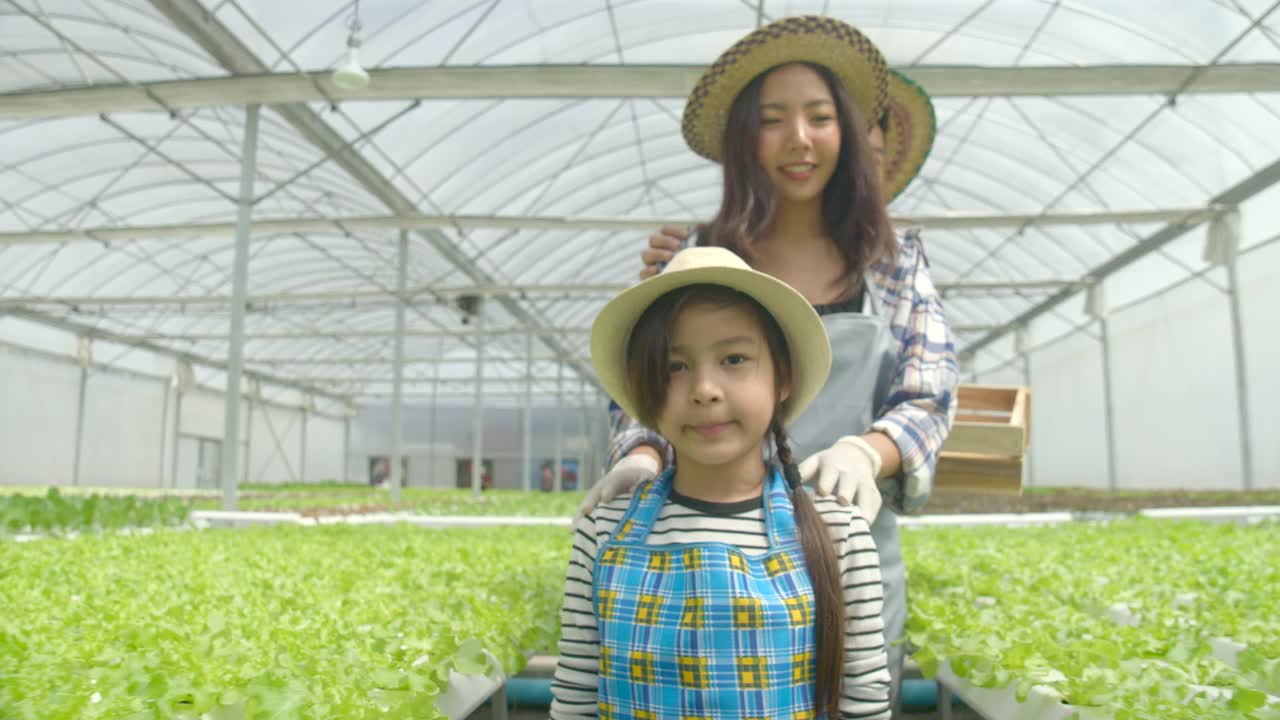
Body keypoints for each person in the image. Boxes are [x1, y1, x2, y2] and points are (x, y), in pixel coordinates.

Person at [577, 17, 957, 716]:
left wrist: (866, 453)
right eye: (773, 120)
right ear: (743, 140)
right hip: (697, 554)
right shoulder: (697, 251)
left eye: (819, 118)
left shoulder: (893, 263)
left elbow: (928, 394)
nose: (799, 141)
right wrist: (638, 452)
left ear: (845, 132)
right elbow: (648, 380)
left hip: (845, 549)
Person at [550, 246, 891, 719]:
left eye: (734, 358)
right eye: (675, 367)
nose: (704, 389)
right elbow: (575, 702)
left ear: (783, 379)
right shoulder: (602, 531)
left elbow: (865, 706)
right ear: (645, 389)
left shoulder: (839, 534)